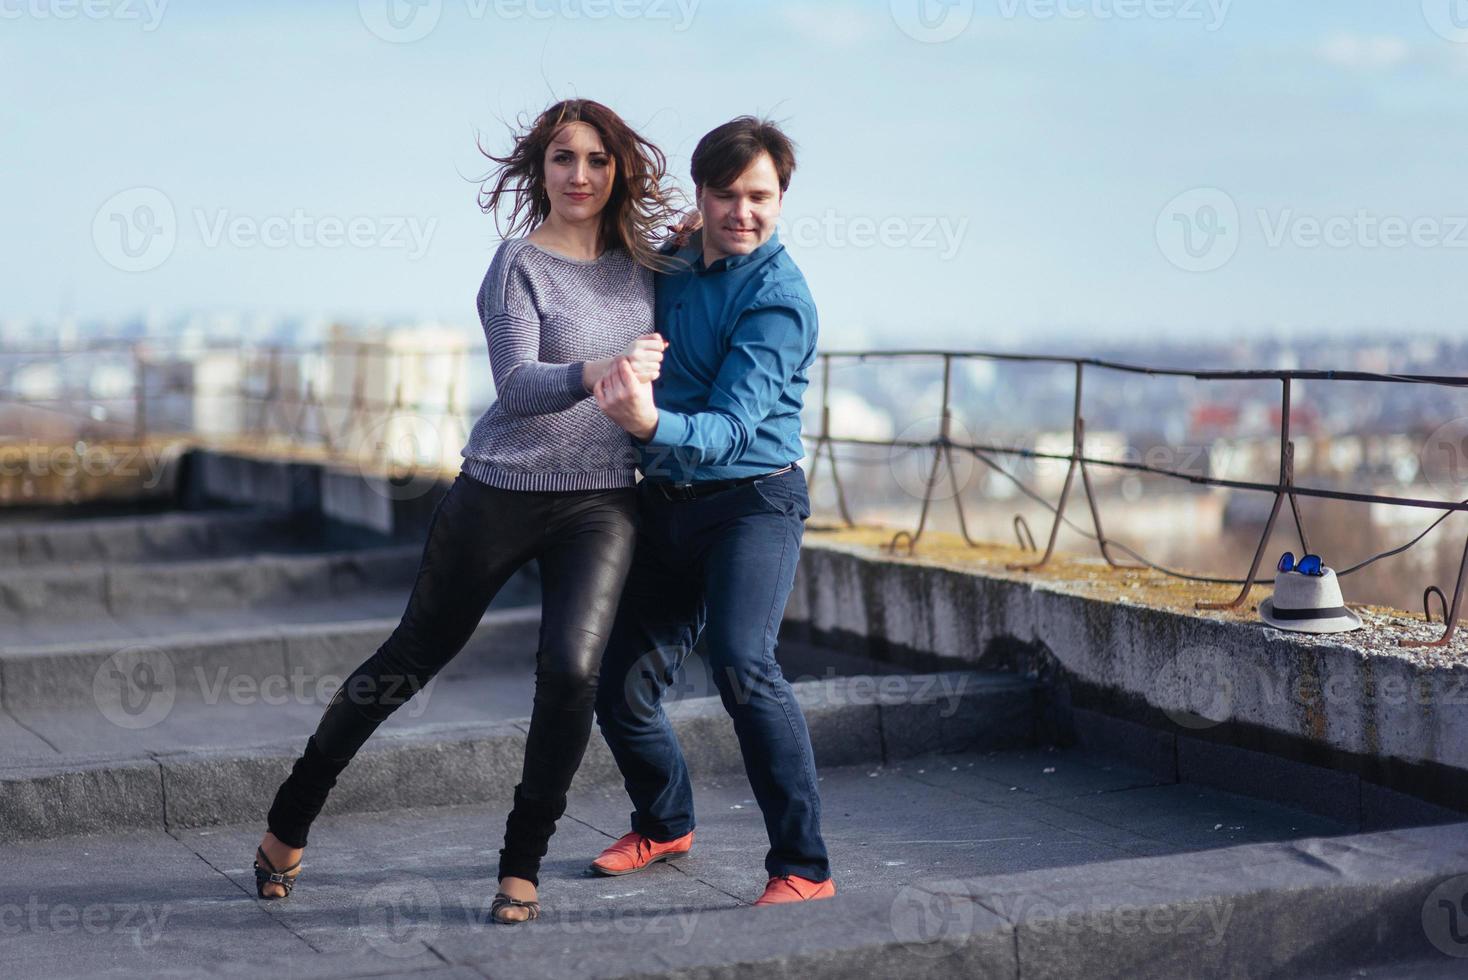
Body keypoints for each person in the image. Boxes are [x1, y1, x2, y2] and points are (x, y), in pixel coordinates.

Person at [250, 98, 683, 925]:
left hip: (602, 501)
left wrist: (699, 231)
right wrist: (599, 365)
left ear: (618, 168)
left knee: (569, 673)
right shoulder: (517, 265)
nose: (581, 175)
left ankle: (521, 866)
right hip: (500, 490)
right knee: (411, 657)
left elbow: (720, 270)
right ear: (540, 169)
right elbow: (517, 388)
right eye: (564, 158)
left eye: (596, 159)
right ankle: (289, 819)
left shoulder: (647, 268)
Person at [588, 116, 836, 906]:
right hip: (667, 502)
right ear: (700, 195)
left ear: (782, 197)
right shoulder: (678, 259)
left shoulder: (781, 300)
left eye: (759, 196)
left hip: (752, 501)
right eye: (725, 195)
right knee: (620, 688)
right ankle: (664, 823)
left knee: (743, 665)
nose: (742, 213)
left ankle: (804, 867)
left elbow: (732, 428)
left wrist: (647, 424)